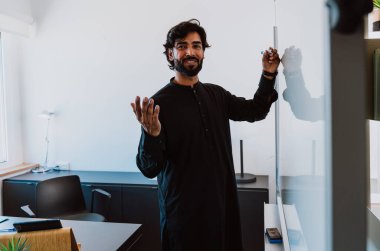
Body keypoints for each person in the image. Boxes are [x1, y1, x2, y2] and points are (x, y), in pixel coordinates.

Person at [131, 19, 280, 251]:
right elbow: (148, 168)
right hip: (183, 217)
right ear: (171, 54)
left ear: (203, 53)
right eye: (181, 46)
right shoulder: (158, 104)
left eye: (196, 45)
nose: (190, 52)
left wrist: (268, 75)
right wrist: (152, 135)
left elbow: (255, 110)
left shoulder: (217, 95)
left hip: (222, 208)